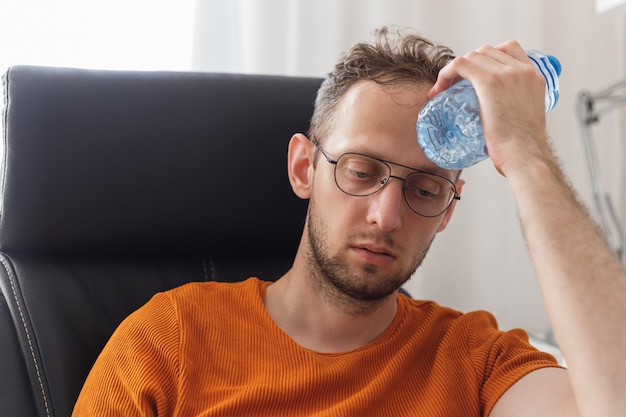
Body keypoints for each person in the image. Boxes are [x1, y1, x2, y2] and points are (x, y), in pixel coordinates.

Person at [72, 26, 626, 416]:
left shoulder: (475, 362)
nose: (386, 215)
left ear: (449, 209)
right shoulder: (169, 341)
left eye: (425, 188)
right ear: (303, 168)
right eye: (361, 171)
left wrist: (528, 157)